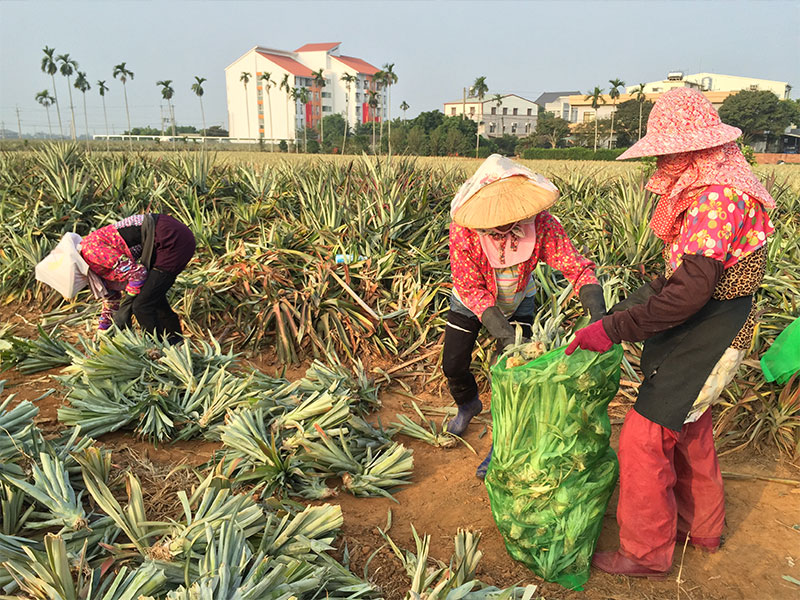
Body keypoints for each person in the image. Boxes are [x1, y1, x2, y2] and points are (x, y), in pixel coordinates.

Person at [566, 88, 775, 577]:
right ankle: (701, 528)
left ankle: (645, 553)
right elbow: (680, 281)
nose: (662, 160)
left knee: (644, 438)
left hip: (712, 330)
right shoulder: (723, 185)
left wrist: (613, 328)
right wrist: (616, 314)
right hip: (719, 324)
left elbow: (687, 294)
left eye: (669, 150)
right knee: (690, 428)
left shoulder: (716, 196)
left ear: (696, 147)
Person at [444, 154, 606, 478]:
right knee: (453, 364)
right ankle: (468, 404)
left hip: (519, 301)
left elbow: (574, 265)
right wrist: (503, 333)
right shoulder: (464, 231)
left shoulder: (541, 224)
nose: (505, 223)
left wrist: (596, 307)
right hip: (471, 303)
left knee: (511, 377)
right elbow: (471, 288)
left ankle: (501, 443)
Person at [79, 213, 196, 344]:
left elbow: (138, 273)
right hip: (164, 236)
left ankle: (159, 347)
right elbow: (111, 300)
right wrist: (102, 330)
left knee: (142, 305)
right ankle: (176, 341)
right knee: (152, 295)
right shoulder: (90, 260)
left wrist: (126, 306)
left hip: (170, 238)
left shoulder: (91, 253)